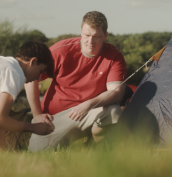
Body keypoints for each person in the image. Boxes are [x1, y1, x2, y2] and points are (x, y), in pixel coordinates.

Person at [26, 11, 127, 151]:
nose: (90, 41)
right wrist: (37, 114)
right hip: (55, 118)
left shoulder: (114, 56)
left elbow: (116, 92)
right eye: (87, 35)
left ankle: (94, 151)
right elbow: (30, 79)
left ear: (105, 35)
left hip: (90, 113)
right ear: (81, 31)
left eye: (96, 36)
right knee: (36, 152)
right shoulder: (60, 50)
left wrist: (89, 103)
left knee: (113, 112)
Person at [0, 41, 54, 149]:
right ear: (33, 61)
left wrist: (2, 151)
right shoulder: (15, 73)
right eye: (40, 71)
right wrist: (33, 127)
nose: (39, 78)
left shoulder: (3, 63)